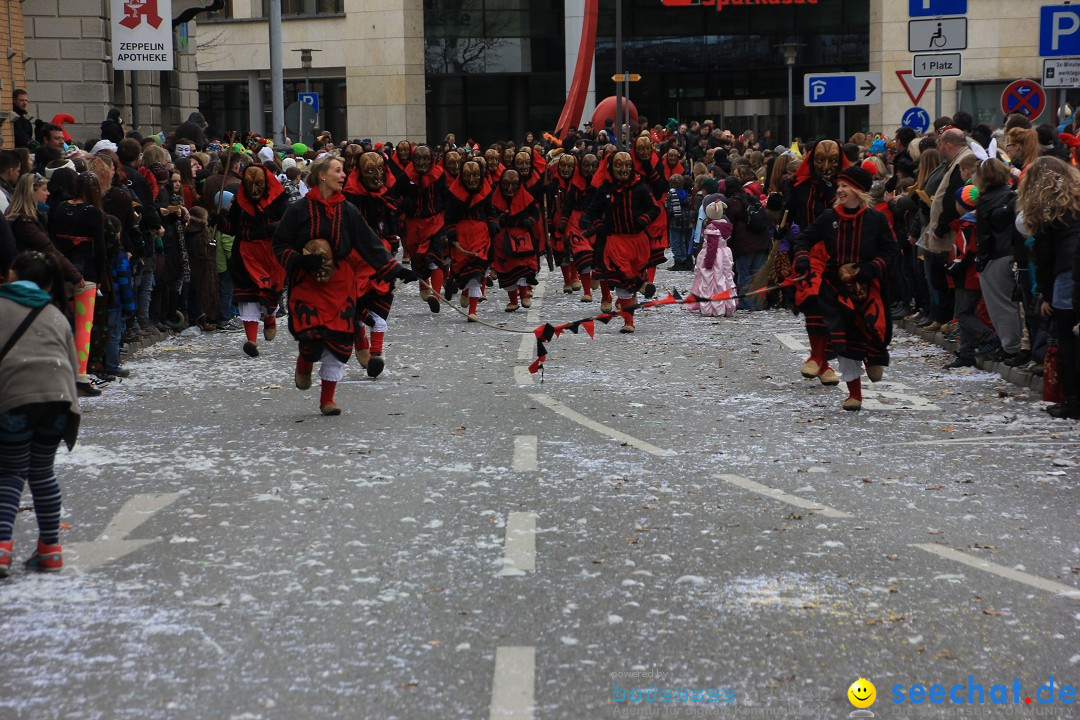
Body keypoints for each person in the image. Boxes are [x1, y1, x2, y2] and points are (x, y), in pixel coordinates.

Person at [273, 156, 417, 416]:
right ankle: (305, 361)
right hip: (307, 284)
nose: (343, 175)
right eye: (338, 171)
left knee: (339, 343)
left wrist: (396, 269)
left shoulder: (348, 210)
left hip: (341, 285)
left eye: (343, 171)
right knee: (312, 340)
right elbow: (280, 244)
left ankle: (327, 399)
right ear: (322, 176)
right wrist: (299, 260)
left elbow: (369, 243)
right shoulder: (297, 210)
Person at [0, 252, 82, 576]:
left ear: (9, 274)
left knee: (10, 472)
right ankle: (50, 550)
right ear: (49, 285)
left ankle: (2, 547)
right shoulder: (56, 315)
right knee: (42, 472)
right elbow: (74, 368)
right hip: (59, 400)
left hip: (16, 400)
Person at [794, 166, 899, 412]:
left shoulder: (877, 219)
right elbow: (804, 239)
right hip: (835, 285)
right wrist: (802, 259)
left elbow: (892, 251)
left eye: (844, 186)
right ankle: (853, 393)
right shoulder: (829, 217)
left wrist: (869, 269)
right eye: (839, 185)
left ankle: (874, 358)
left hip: (866, 285)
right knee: (842, 336)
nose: (839, 190)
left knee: (873, 330)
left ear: (858, 191)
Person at [1017, 156, 1080, 419]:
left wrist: (1044, 293)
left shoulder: (1046, 207)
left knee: (1066, 336)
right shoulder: (1075, 198)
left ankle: (1073, 401)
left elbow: (1044, 256)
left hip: (1067, 273)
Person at [582, 151, 660, 333]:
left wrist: (644, 219)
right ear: (611, 167)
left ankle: (639, 284)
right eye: (619, 165)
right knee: (623, 282)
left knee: (633, 276)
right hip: (616, 241)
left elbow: (654, 209)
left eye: (627, 165)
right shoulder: (605, 188)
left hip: (638, 241)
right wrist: (599, 225)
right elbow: (592, 211)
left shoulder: (640, 187)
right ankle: (629, 321)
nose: (623, 169)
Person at [224, 164, 288, 357]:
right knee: (247, 294)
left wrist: (270, 229)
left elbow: (287, 221)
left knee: (271, 291)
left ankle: (269, 315)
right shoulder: (239, 201)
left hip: (270, 252)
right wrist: (220, 221)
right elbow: (232, 227)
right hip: (246, 252)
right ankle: (251, 340)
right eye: (250, 184)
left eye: (258, 184)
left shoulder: (279, 198)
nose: (253, 189)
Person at [686, 200, 736, 317]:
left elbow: (712, 247)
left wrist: (708, 262)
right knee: (723, 279)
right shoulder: (724, 226)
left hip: (714, 257)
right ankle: (724, 305)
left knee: (712, 280)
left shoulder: (713, 228)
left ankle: (712, 308)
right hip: (723, 255)